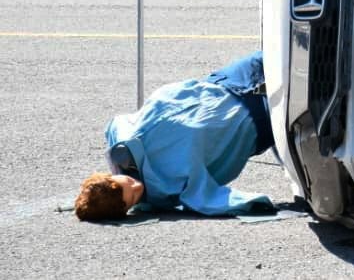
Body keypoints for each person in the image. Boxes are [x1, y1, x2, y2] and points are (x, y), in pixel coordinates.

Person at [74, 51, 275, 220]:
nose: (137, 186)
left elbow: (115, 124)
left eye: (128, 184)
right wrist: (254, 203)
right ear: (126, 210)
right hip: (252, 118)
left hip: (224, 84)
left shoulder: (120, 139)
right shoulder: (166, 189)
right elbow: (205, 197)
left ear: (110, 177)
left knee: (289, 47)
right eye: (133, 198)